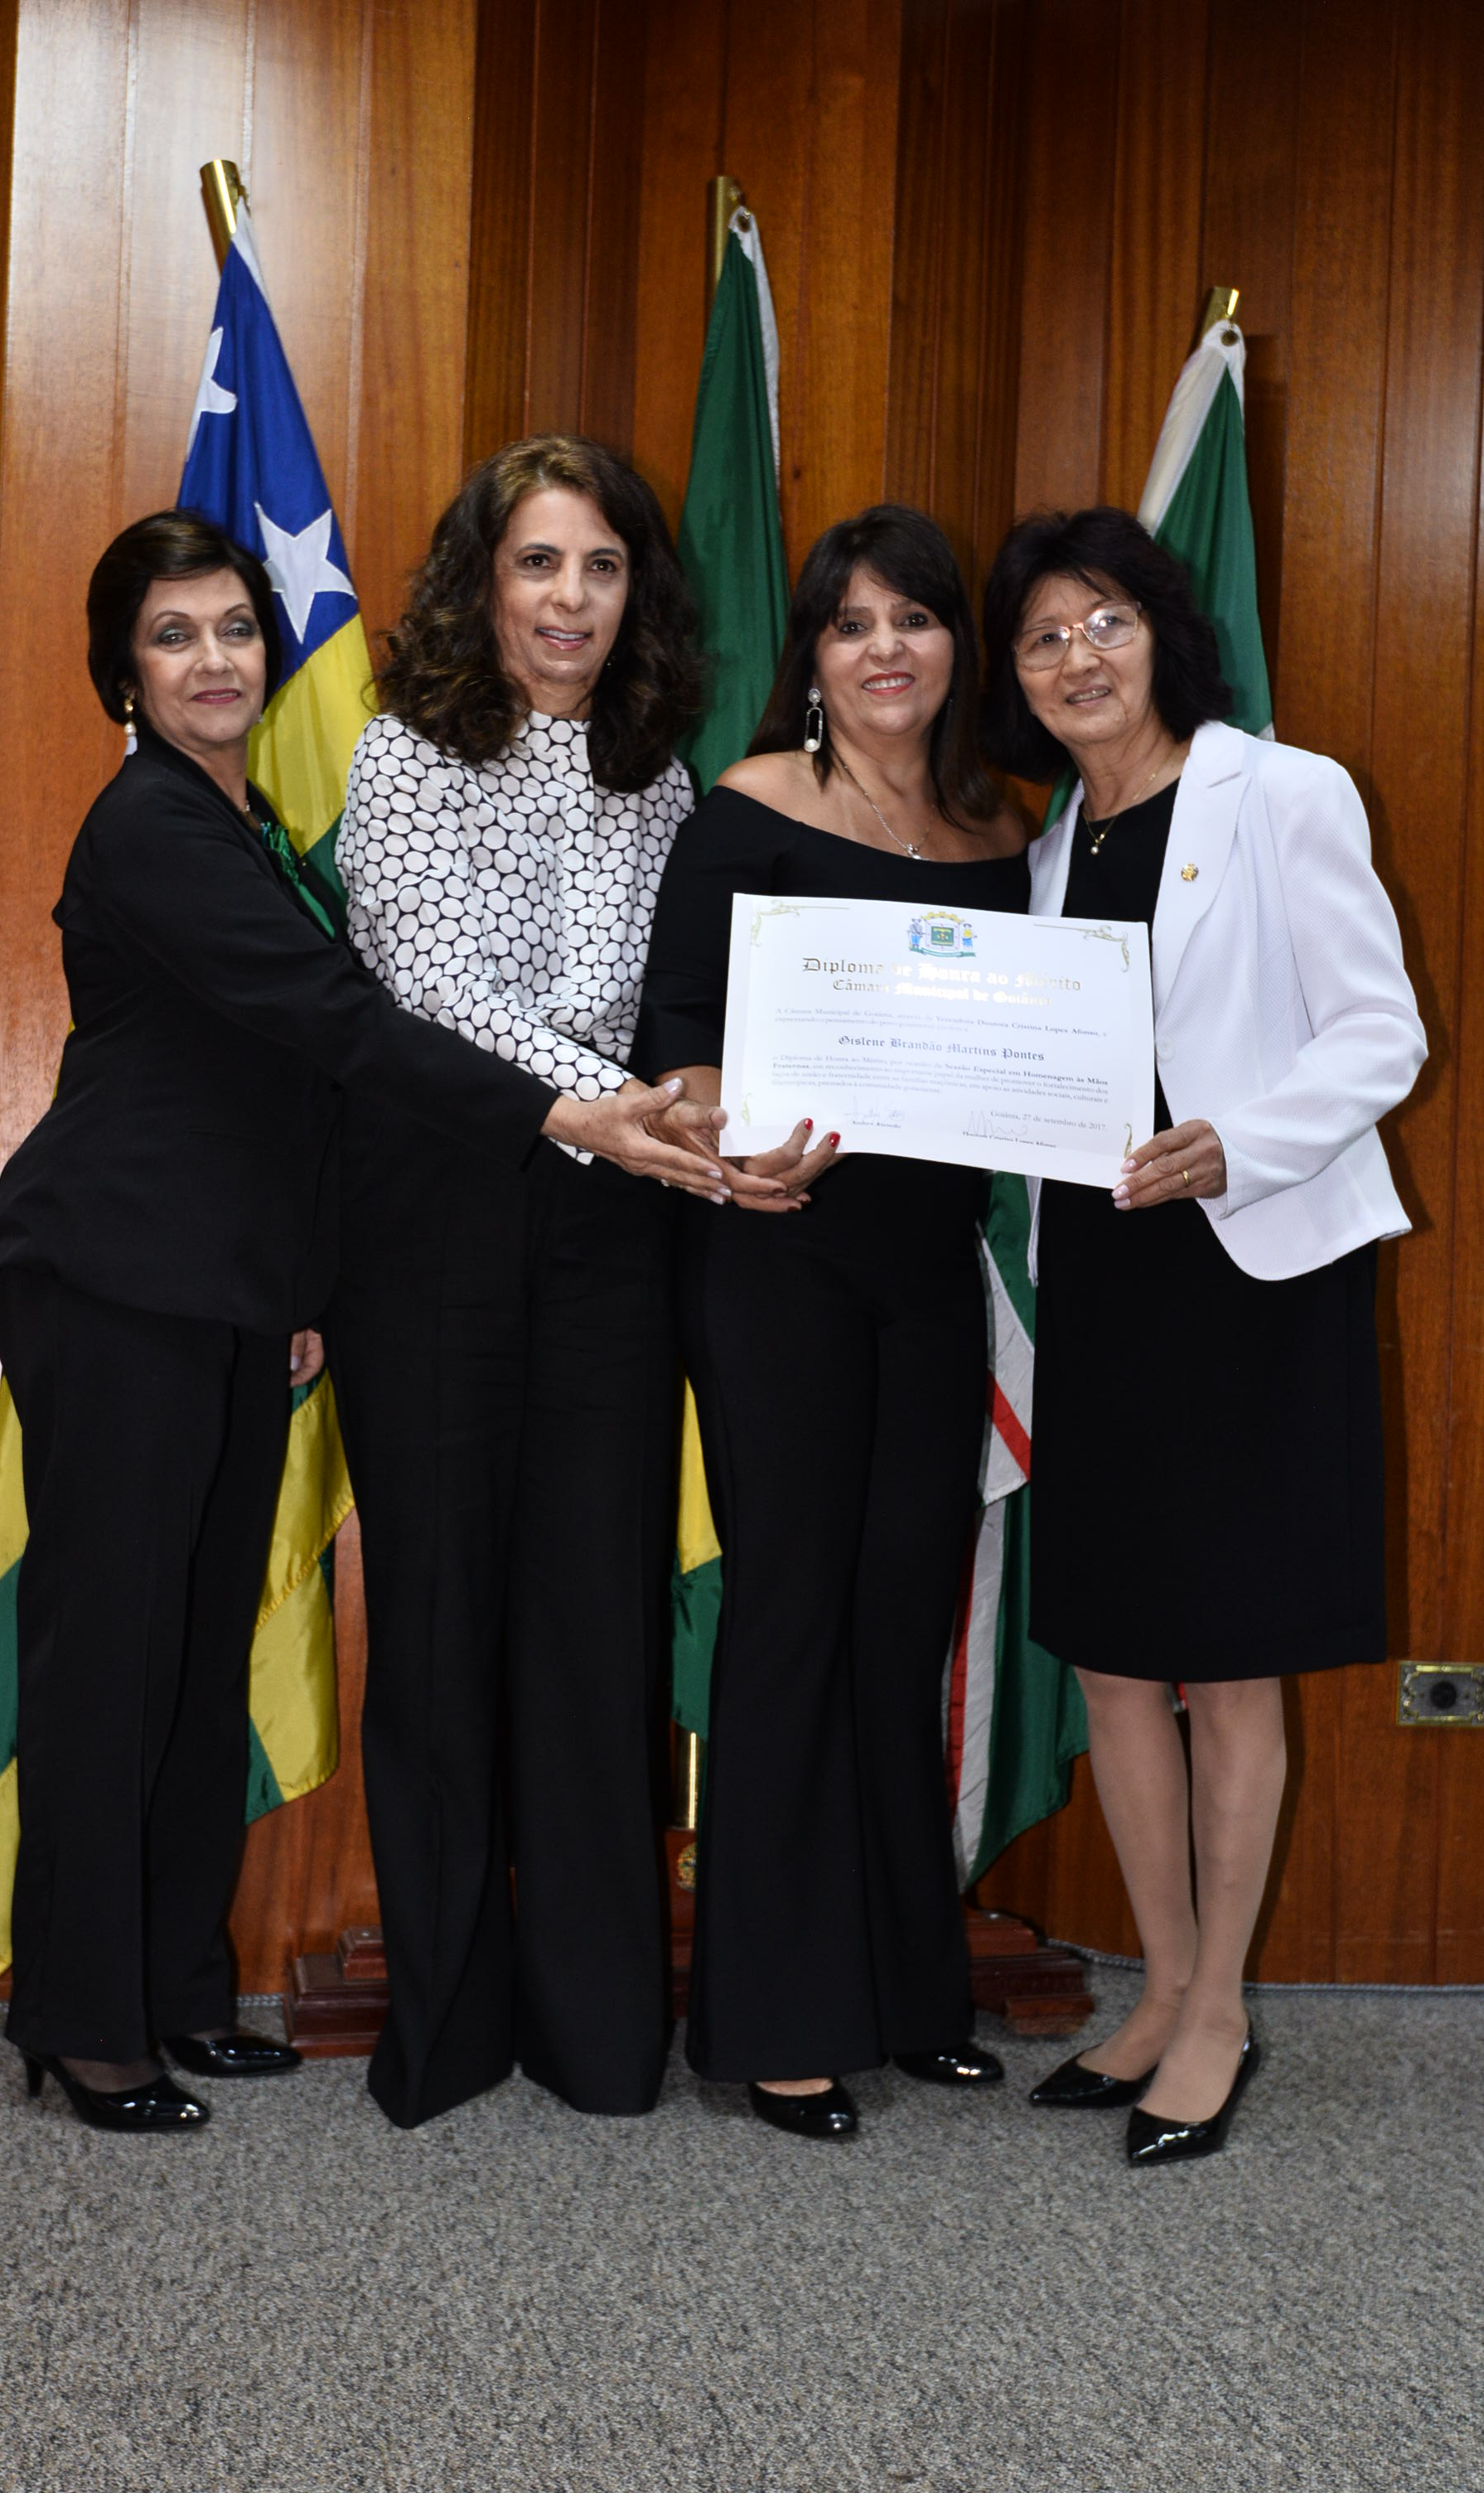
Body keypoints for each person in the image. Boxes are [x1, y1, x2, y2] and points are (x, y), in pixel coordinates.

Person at [0, 510, 727, 2134]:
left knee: (192, 1654)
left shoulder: (238, 821)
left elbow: (279, 1096)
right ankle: (84, 2025)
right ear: (120, 673)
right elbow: (332, 1020)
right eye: (172, 636)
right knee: (111, 1658)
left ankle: (177, 1991)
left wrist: (309, 1286)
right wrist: (563, 1111)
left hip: (232, 1289)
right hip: (115, 1277)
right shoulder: (150, 826)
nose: (214, 661)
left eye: (235, 629)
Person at [328, 437, 783, 2130]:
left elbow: (672, 1004)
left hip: (612, 1232)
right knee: (440, 1625)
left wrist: (698, 1105)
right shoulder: (405, 747)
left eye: (600, 565)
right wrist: (609, 1108)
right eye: (538, 563)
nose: (570, 598)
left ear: (633, 590)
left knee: (596, 1627)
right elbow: (427, 982)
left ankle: (600, 2034)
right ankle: (445, 2027)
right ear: (484, 581)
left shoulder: (659, 777)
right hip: (437, 1222)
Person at [980, 506, 1426, 2165]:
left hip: (1251, 1273)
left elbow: (1378, 1032)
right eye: (1041, 637)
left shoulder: (1281, 793)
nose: (1075, 657)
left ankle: (1221, 2009)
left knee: (1227, 1660)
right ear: (1016, 679)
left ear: (1163, 634)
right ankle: (1158, 1987)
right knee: (1113, 1653)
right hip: (1104, 1278)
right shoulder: (1045, 852)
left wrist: (1238, 1141)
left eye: (1104, 620)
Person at [635, 506, 1030, 2140]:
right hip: (774, 1256)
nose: (885, 648)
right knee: (794, 1610)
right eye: (852, 622)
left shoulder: (997, 829)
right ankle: (774, 2018)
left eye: (913, 619)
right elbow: (674, 1031)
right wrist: (725, 1134)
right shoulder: (744, 808)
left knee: (899, 1618)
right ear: (812, 653)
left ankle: (905, 1990)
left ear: (954, 647)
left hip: (929, 1274)